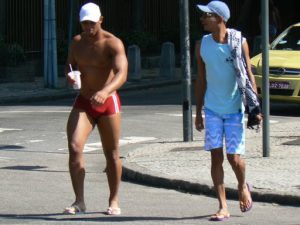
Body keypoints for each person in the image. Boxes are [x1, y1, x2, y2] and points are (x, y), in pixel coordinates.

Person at [63, 2, 128, 215]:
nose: (88, 27)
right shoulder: (77, 42)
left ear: (100, 20)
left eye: (92, 22)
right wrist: (70, 77)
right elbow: (70, 65)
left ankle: (114, 200)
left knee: (111, 153)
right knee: (74, 147)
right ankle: (79, 201)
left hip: (108, 102)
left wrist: (106, 91)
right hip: (84, 100)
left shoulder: (112, 43)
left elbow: (121, 73)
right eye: (84, 23)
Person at [194, 1, 255, 221]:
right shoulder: (202, 44)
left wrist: (254, 107)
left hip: (234, 110)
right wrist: (198, 111)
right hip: (212, 109)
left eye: (206, 15)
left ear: (220, 18)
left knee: (234, 158)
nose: (201, 19)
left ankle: (241, 185)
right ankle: (222, 206)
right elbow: (200, 79)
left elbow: (248, 74)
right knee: (216, 157)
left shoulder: (239, 42)